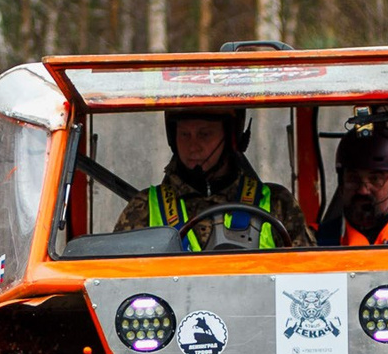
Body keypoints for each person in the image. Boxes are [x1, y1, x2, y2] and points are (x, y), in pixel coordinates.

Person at [115, 107, 303, 250]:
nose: (193, 146)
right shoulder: (144, 207)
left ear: (231, 138)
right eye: (184, 134)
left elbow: (310, 275)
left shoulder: (277, 203)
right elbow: (115, 278)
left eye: (204, 134)